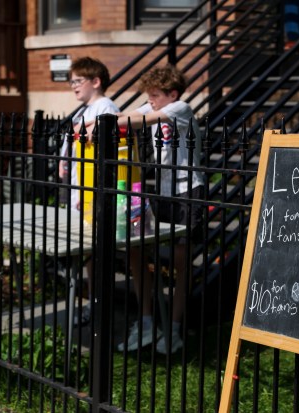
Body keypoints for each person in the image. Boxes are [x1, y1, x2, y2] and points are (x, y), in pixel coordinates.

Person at [116, 64, 204, 354]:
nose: (150, 99)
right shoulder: (156, 104)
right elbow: (130, 117)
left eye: (155, 95)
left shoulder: (181, 108)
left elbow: (144, 118)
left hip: (187, 190)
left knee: (180, 262)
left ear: (172, 94)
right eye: (149, 95)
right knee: (138, 249)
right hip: (161, 192)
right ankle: (146, 321)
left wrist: (120, 119)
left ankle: (175, 329)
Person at [58, 56, 120, 326]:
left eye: (78, 81)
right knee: (88, 252)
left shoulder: (104, 106)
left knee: (94, 249)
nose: (73, 86)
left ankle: (98, 305)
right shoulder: (83, 110)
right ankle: (94, 303)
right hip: (78, 189)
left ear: (96, 81)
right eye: (71, 81)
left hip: (92, 191)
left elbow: (97, 144)